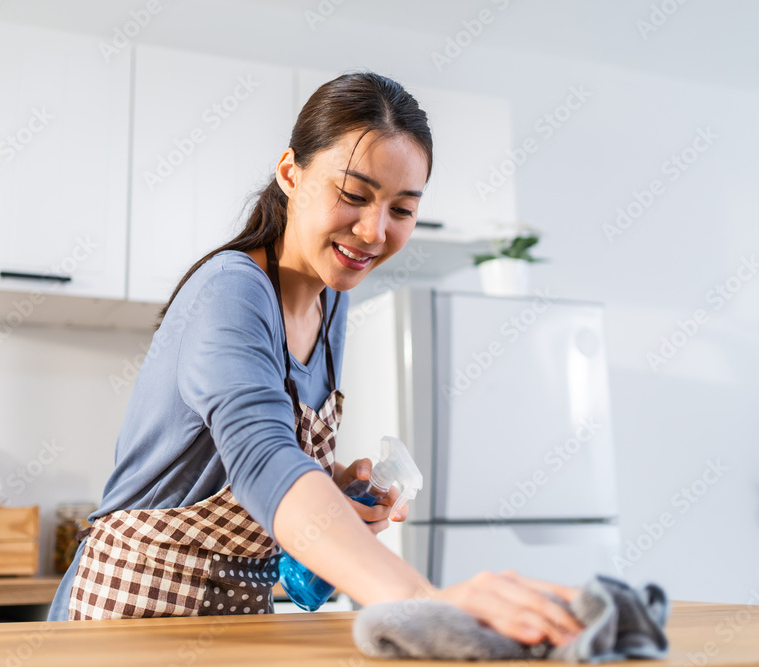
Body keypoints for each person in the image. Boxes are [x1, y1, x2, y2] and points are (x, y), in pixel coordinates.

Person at [48, 71, 583, 647]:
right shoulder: (231, 290)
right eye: (353, 195)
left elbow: (250, 470)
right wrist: (422, 602)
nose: (373, 230)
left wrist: (331, 488)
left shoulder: (333, 304)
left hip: (236, 620)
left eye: (402, 209)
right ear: (290, 174)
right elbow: (260, 456)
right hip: (129, 615)